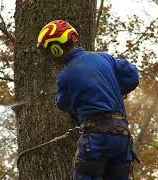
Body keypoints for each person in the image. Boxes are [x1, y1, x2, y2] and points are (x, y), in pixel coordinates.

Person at [37, 20, 140, 180]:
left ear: (55, 48)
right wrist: (115, 89)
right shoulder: (104, 58)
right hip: (121, 138)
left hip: (96, 140)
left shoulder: (65, 76)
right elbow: (132, 75)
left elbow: (63, 104)